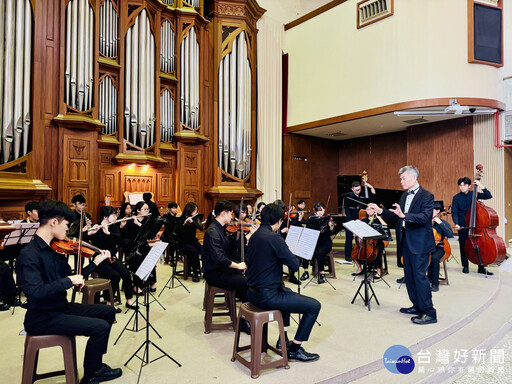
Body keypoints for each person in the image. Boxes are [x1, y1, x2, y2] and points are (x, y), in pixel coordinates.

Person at [16, 200, 122, 384]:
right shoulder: (29, 255)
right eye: (67, 224)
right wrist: (67, 281)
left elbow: (72, 277)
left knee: (108, 312)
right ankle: (91, 375)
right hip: (42, 317)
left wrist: (94, 264)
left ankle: (94, 365)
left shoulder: (54, 250)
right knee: (100, 327)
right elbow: (35, 293)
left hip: (59, 307)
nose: (68, 230)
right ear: (54, 222)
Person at [246, 204, 321, 362]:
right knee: (314, 306)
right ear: (279, 221)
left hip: (252, 292)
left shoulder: (255, 235)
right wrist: (288, 251)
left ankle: (283, 339)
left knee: (287, 292)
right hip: (267, 296)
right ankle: (294, 349)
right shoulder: (275, 238)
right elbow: (294, 266)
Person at [369, 165, 437, 325]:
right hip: (407, 242)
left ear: (413, 178)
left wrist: (404, 215)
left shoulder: (427, 195)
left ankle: (429, 312)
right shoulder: (405, 196)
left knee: (420, 277)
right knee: (410, 276)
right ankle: (417, 306)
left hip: (420, 243)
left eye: (403, 178)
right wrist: (380, 211)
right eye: (400, 178)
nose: (401, 181)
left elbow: (425, 217)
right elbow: (396, 217)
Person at [88, 206, 138, 310]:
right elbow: (90, 242)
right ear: (106, 217)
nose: (116, 217)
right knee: (115, 276)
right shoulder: (96, 227)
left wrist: (109, 233)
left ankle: (129, 300)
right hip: (100, 260)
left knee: (126, 273)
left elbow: (119, 240)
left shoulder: (113, 227)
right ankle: (109, 302)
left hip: (112, 258)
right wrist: (92, 232)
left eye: (116, 215)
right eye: (113, 215)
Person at [203, 200, 249, 301]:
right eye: (230, 213)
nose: (232, 216)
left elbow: (229, 251)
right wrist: (237, 266)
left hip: (221, 268)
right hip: (214, 273)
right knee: (246, 281)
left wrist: (241, 236)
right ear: (223, 213)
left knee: (250, 273)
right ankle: (246, 311)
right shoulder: (213, 231)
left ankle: (243, 300)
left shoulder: (221, 229)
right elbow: (219, 258)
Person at [451, 177, 493, 275]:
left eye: (464, 185)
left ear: (469, 186)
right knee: (463, 246)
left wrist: (480, 185)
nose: (462, 187)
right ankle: (465, 266)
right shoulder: (456, 198)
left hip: (476, 224)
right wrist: (456, 223)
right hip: (463, 224)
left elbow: (488, 195)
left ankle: (481, 267)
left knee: (479, 246)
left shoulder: (474, 194)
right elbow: (454, 212)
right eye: (460, 185)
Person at [304, 202, 337, 284]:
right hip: (314, 241)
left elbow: (332, 233)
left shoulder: (328, 218)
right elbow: (308, 231)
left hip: (325, 243)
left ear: (324, 209)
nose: (319, 212)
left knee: (319, 252)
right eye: (317, 211)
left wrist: (331, 227)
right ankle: (305, 271)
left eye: (321, 210)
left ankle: (321, 274)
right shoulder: (311, 218)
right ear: (314, 211)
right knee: (305, 250)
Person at [351, 205, 388, 279]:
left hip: (377, 242)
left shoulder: (377, 219)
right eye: (367, 209)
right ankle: (359, 269)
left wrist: (379, 218)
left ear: (375, 210)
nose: (369, 211)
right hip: (366, 243)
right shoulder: (364, 220)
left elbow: (385, 227)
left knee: (377, 251)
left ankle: (378, 271)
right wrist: (357, 234)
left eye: (371, 209)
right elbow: (358, 231)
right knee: (354, 253)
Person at [345, 181, 376, 262]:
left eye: (359, 190)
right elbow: (347, 210)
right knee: (349, 238)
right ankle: (348, 256)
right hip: (351, 220)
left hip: (360, 220)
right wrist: (350, 223)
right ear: (352, 189)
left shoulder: (362, 195)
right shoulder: (349, 197)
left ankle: (360, 255)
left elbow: (371, 199)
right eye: (356, 190)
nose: (358, 191)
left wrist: (371, 187)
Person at [428, 202, 454, 292]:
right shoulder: (426, 221)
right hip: (426, 247)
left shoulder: (443, 222)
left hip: (438, 248)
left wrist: (440, 223)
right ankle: (422, 280)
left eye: (432, 210)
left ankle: (435, 283)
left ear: (438, 211)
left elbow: (450, 235)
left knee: (434, 258)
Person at [177, 202, 204, 282]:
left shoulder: (195, 218)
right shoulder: (181, 219)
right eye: (195, 210)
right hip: (183, 242)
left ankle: (204, 270)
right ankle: (195, 272)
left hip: (192, 241)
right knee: (194, 252)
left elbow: (201, 228)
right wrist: (184, 224)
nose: (196, 212)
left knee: (203, 249)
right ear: (190, 210)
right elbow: (177, 233)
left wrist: (193, 222)